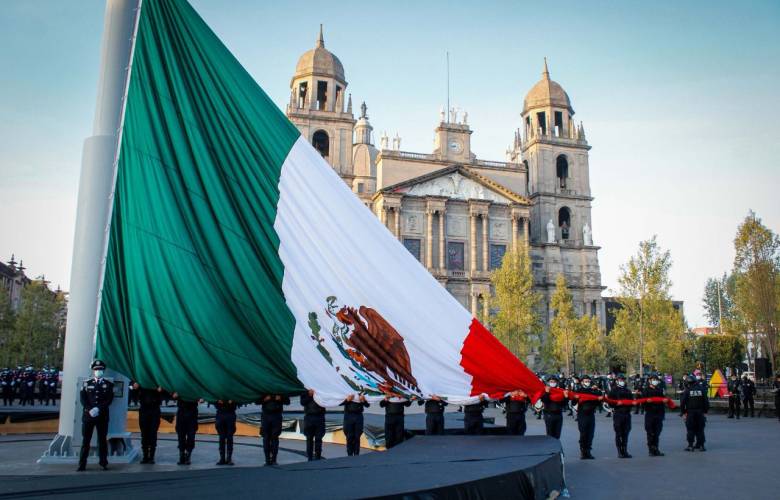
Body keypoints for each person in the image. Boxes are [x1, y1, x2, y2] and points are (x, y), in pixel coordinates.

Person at [77, 360, 114, 471]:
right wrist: (90, 409)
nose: (98, 371)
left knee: (102, 440)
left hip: (102, 416)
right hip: (88, 416)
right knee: (86, 441)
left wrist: (98, 408)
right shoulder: (86, 383)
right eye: (96, 369)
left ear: (103, 371)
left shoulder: (109, 385)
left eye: (100, 369)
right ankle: (82, 464)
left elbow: (109, 400)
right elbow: (83, 399)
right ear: (93, 371)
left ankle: (103, 462)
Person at [573, 374, 603, 459]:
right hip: (582, 414)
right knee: (583, 433)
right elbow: (573, 403)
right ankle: (583, 451)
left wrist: (598, 391)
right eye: (586, 381)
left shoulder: (593, 390)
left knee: (590, 434)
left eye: (588, 381)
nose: (587, 382)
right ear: (582, 382)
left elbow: (598, 401)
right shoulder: (579, 390)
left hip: (591, 414)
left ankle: (588, 451)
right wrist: (575, 398)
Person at [608, 373, 636, 458]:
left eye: (623, 380)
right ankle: (619, 451)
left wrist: (632, 404)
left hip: (627, 414)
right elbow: (610, 403)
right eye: (620, 380)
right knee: (619, 433)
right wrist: (616, 404)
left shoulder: (628, 391)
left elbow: (631, 401)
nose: (622, 381)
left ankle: (625, 450)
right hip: (618, 413)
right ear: (617, 381)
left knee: (626, 433)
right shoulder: (613, 391)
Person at [680, 373, 709, 451]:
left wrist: (683, 412)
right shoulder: (701, 390)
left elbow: (682, 403)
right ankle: (701, 445)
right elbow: (706, 401)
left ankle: (690, 445)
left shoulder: (687, 391)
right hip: (700, 412)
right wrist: (705, 411)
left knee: (690, 429)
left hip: (690, 412)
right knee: (700, 429)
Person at [135, 383, 163, 464]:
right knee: (144, 433)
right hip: (144, 408)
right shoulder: (141, 379)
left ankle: (151, 457)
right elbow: (134, 392)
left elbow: (167, 392)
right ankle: (145, 456)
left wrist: (161, 390)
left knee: (153, 433)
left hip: (155, 409)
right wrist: (135, 386)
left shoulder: (157, 379)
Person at [259, 393, 289, 465]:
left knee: (275, 438)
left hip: (277, 416)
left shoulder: (280, 390)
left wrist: (281, 398)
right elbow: (257, 401)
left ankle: (274, 459)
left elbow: (287, 401)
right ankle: (267, 459)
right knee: (266, 438)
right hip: (265, 416)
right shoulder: (264, 389)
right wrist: (265, 399)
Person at [642, 373, 666, 456]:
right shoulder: (646, 390)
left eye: (656, 380)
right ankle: (651, 450)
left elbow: (662, 402)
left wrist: (663, 414)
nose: (655, 381)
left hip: (658, 414)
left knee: (657, 432)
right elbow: (642, 402)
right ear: (650, 381)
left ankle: (656, 449)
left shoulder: (659, 390)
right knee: (650, 432)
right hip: (650, 414)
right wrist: (646, 402)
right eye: (653, 380)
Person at [172, 393, 199, 465]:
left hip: (192, 410)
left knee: (191, 435)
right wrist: (173, 395)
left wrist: (201, 397)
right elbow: (172, 393)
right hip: (182, 410)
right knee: (181, 435)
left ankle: (188, 455)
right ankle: (181, 456)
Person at [300, 389, 326, 461]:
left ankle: (318, 457)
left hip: (320, 417)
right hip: (309, 417)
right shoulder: (305, 390)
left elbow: (326, 400)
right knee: (309, 438)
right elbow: (302, 402)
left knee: (318, 438)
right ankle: (309, 457)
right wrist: (310, 395)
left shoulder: (321, 388)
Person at [214, 398, 237, 465]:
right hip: (220, 414)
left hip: (230, 414)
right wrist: (217, 401)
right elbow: (214, 402)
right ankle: (222, 458)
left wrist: (232, 402)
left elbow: (237, 402)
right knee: (222, 437)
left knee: (229, 437)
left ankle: (229, 458)